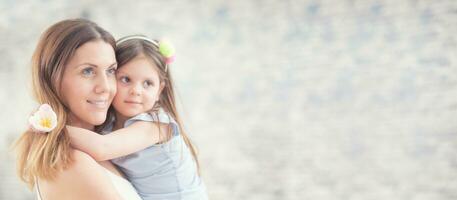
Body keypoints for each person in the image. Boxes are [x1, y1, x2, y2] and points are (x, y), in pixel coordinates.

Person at [66, 35, 208, 200]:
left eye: (147, 83)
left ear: (159, 90)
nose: (136, 91)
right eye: (126, 80)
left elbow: (101, 148)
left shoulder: (157, 125)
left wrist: (50, 127)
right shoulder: (107, 125)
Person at [14, 19, 141, 200]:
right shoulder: (71, 163)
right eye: (88, 71)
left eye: (111, 71)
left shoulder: (104, 146)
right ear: (53, 79)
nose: (105, 87)